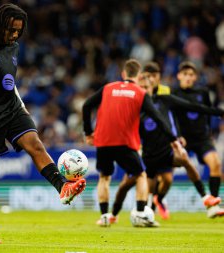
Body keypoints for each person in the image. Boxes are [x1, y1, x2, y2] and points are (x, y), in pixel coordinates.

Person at [0, 3, 86, 244]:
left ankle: (63, 188)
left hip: (12, 109)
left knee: (35, 144)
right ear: (0, 25)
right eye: (11, 29)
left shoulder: (13, 47)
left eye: (18, 31)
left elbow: (9, 82)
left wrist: (21, 105)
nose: (15, 35)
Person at [109, 72, 223, 223]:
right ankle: (113, 215)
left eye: (146, 87)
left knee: (184, 159)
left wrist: (218, 112)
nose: (144, 90)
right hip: (147, 155)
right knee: (126, 185)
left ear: (152, 88)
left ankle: (205, 197)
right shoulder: (134, 109)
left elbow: (193, 107)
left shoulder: (164, 101)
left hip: (166, 152)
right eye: (141, 87)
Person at [82, 59, 179, 227]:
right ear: (138, 75)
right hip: (124, 142)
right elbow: (158, 118)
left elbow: (86, 105)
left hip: (103, 140)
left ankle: (105, 216)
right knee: (141, 174)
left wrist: (88, 132)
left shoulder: (108, 88)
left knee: (104, 177)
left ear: (123, 74)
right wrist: (173, 139)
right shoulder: (140, 92)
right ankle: (141, 212)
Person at [173, 61, 224, 218]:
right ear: (179, 76)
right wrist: (176, 136)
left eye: (191, 75)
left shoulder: (202, 92)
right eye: (185, 74)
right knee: (165, 172)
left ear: (195, 77)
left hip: (202, 138)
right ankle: (155, 202)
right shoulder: (173, 93)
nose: (188, 77)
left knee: (215, 164)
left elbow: (207, 112)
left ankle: (213, 204)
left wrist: (208, 131)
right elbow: (172, 117)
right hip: (183, 140)